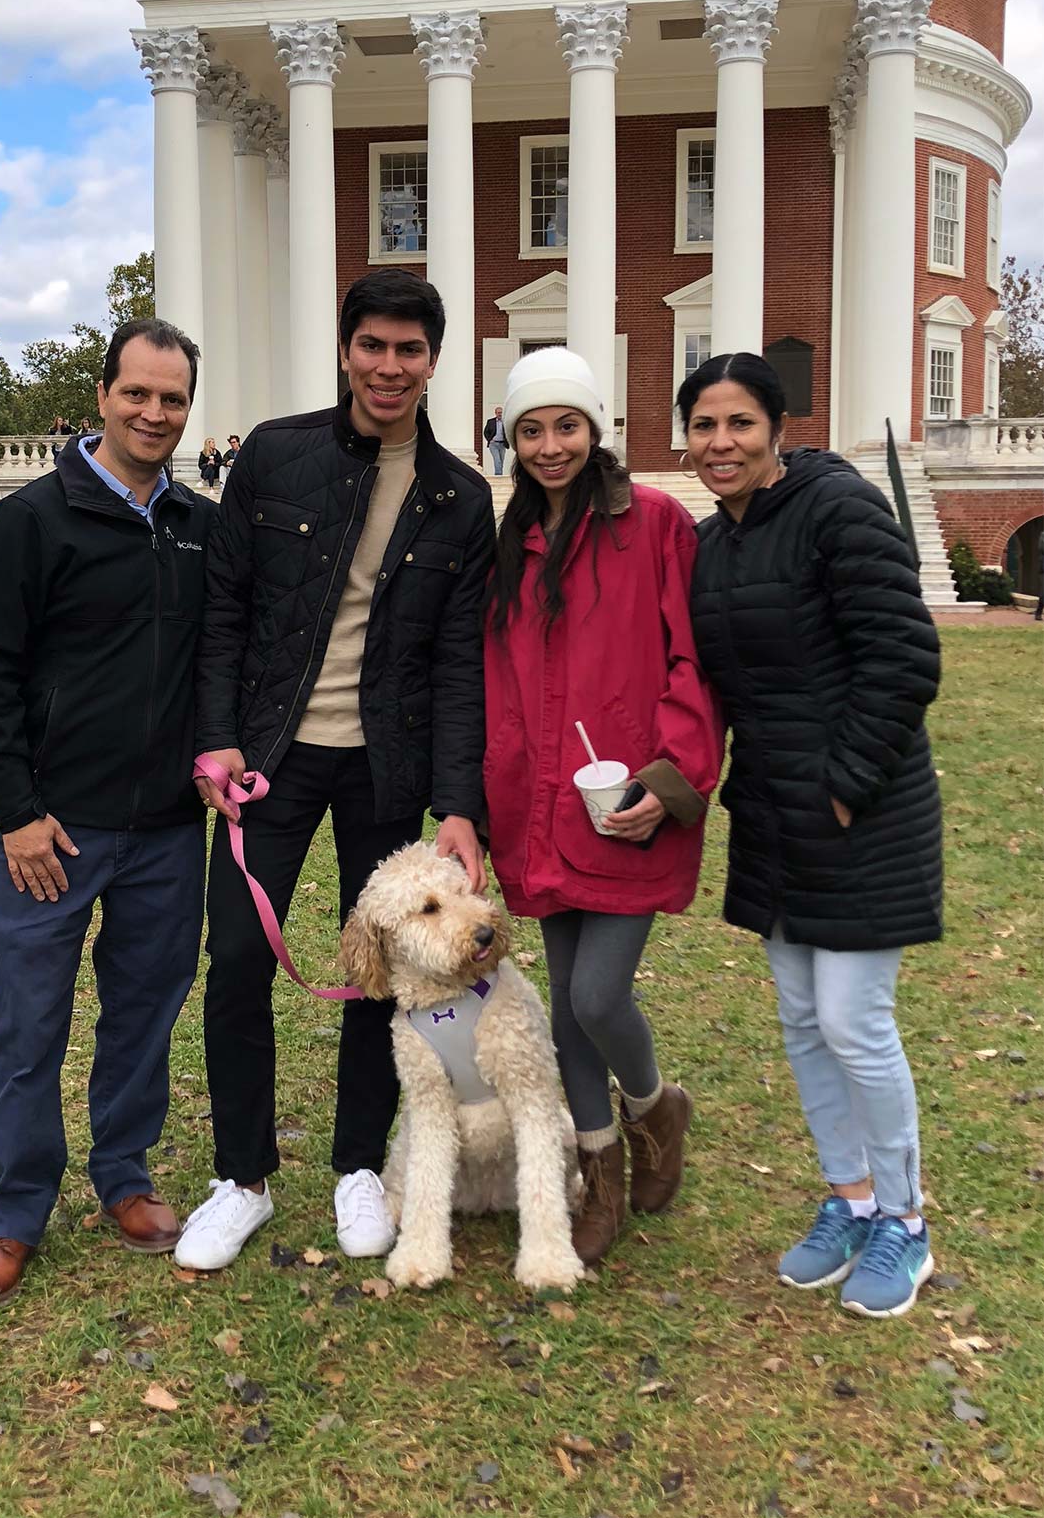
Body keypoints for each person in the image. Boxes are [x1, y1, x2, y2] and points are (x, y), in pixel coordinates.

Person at [177, 267, 496, 1273]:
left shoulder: (459, 498)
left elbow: (457, 664)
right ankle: (242, 1177)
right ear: (347, 349)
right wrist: (218, 735)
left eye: (409, 350)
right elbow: (223, 607)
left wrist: (457, 805)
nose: (389, 366)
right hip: (270, 756)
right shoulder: (276, 455)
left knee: (384, 969)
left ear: (431, 361)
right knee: (234, 956)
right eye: (373, 346)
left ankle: (360, 1163)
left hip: (385, 764)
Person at [0, 318, 213, 1312]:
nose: (153, 413)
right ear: (101, 395)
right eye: (136, 393)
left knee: (143, 1012)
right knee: (28, 1023)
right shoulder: (34, 518)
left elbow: (216, 667)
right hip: (49, 831)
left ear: (189, 408)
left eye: (172, 398)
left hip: (164, 832)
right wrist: (15, 811)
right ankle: (14, 1211)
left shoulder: (197, 525)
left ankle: (125, 1175)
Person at [678, 352, 942, 1318]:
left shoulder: (837, 511)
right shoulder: (714, 544)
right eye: (705, 426)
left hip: (858, 810)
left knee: (854, 1024)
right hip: (775, 817)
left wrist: (845, 786)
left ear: (778, 430)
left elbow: (905, 655)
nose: (721, 443)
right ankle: (851, 1198)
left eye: (740, 423)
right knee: (800, 1020)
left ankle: (905, 1224)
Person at [483, 348, 722, 1266]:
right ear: (512, 438)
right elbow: (498, 679)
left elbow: (693, 664)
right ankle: (600, 1174)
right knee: (565, 1010)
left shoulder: (655, 524)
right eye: (532, 430)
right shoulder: (510, 543)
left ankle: (657, 1105)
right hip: (538, 805)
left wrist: (667, 786)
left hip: (627, 799)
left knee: (595, 996)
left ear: (597, 429)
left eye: (567, 425)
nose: (551, 446)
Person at [483, 405, 508, 476]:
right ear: (495, 413)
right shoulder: (490, 421)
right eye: (498, 412)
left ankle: (499, 475)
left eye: (501, 412)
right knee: (497, 460)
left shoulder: (505, 422)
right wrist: (489, 440)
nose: (500, 414)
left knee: (501, 461)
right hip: (493, 444)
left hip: (502, 444)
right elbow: (485, 432)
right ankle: (498, 475)